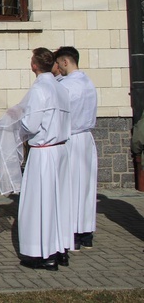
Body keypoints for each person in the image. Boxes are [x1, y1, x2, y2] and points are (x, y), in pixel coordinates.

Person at [0, 48, 73, 271]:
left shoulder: (40, 89)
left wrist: (18, 123)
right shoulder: (61, 88)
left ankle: (41, 253)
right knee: (59, 201)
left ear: (34, 65)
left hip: (44, 152)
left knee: (40, 202)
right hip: (61, 150)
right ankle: (60, 248)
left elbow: (32, 124)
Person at [55, 46, 98, 249]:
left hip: (71, 137)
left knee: (70, 185)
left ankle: (71, 231)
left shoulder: (66, 85)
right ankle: (86, 232)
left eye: (59, 64)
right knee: (86, 186)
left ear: (65, 62)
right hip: (86, 139)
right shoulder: (88, 82)